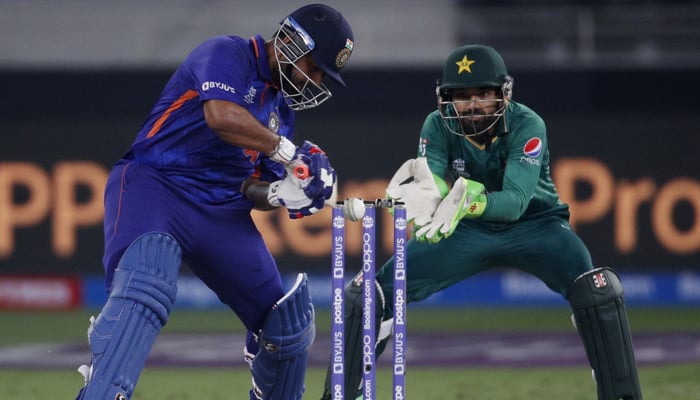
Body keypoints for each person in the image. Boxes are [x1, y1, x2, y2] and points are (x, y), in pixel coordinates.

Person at [321, 44, 642, 400]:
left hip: (536, 226)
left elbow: (516, 202)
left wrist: (464, 204)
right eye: (461, 96)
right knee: (370, 293)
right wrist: (429, 196)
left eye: (483, 94)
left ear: (503, 94)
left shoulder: (527, 123)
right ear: (445, 99)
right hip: (463, 230)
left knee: (596, 290)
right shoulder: (437, 124)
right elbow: (435, 181)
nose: (472, 105)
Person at [74, 4, 354, 400]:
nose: (316, 79)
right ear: (292, 43)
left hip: (220, 209)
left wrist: (280, 192)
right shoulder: (227, 54)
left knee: (285, 324)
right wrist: (289, 154)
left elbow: (251, 187)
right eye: (316, 66)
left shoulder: (280, 112)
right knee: (145, 285)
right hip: (156, 185)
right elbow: (221, 116)